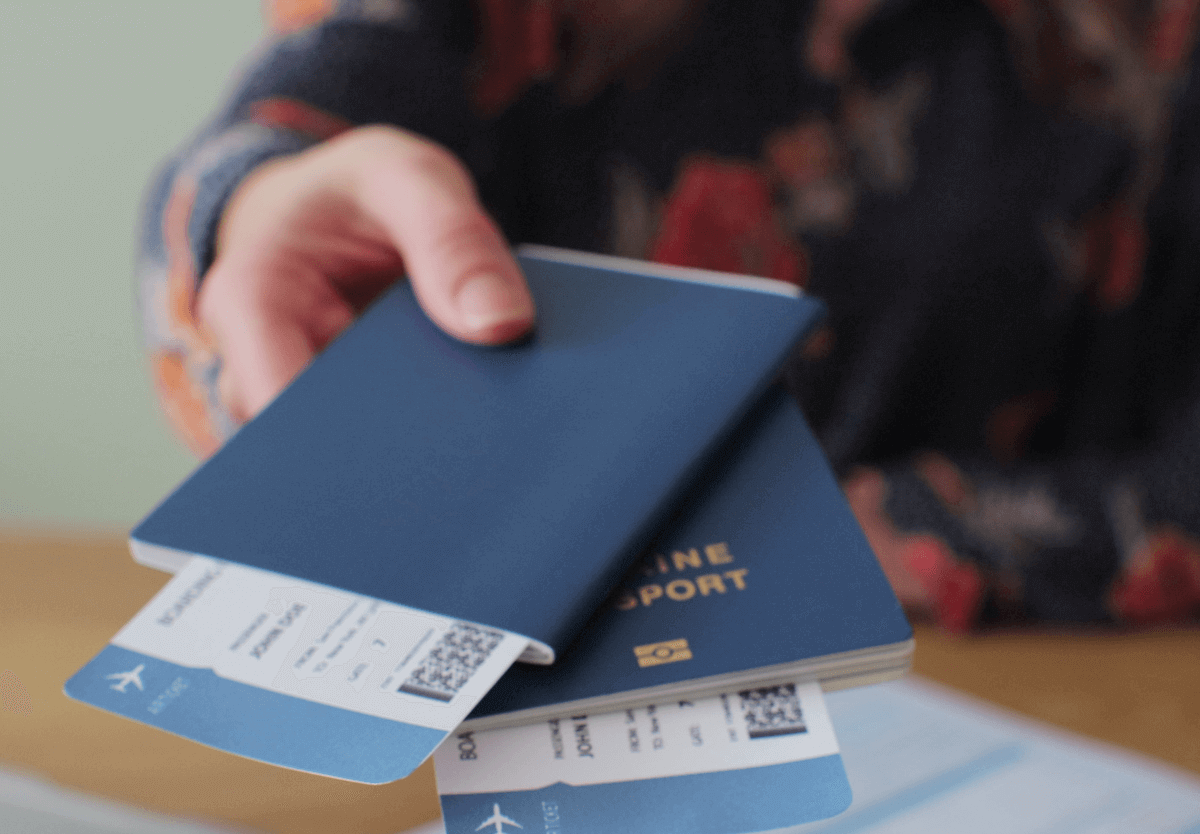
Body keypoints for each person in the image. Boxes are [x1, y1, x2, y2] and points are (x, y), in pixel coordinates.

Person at [140, 0, 1200, 631]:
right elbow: (290, 132)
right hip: (507, 698)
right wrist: (250, 213)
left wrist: (826, 541)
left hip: (1022, 689)